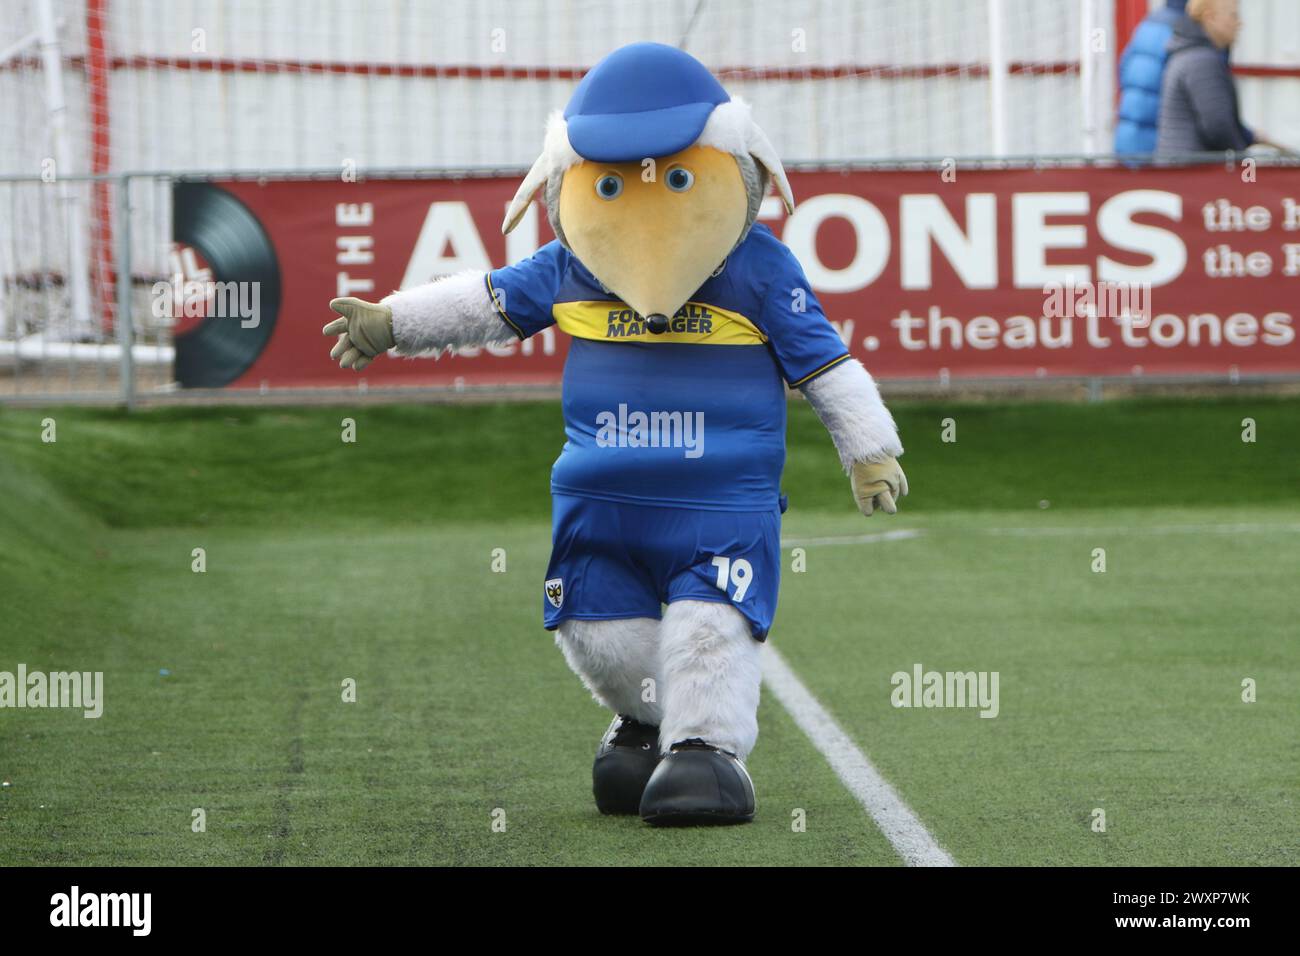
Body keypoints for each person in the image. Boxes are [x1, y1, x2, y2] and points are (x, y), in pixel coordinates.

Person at [1155, 0, 1278, 156]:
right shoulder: (1202, 60)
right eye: (1233, 15)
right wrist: (1243, 158)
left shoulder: (1188, 53)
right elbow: (1218, 125)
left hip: (1180, 169)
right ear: (1210, 17)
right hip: (1193, 172)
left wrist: (1248, 136)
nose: (1239, 23)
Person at [1115, 0, 1190, 156]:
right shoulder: (1186, 32)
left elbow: (1123, 68)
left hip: (1126, 136)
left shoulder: (1149, 22)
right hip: (1156, 142)